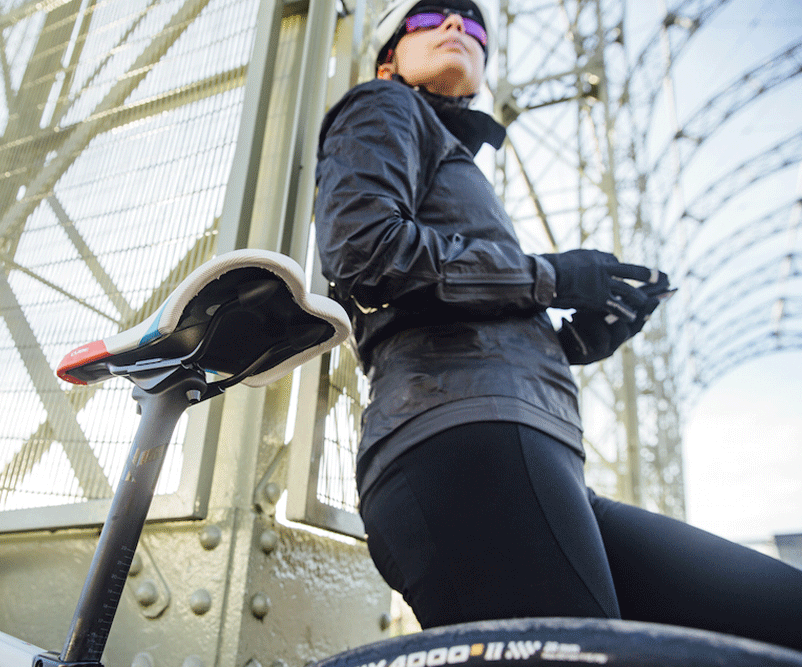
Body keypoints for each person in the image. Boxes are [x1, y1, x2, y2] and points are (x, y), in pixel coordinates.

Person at [313, 0, 802, 651]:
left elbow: (451, 305)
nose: (458, 25)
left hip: (532, 451)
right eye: (430, 18)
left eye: (475, 24)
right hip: (462, 440)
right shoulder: (382, 105)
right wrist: (552, 278)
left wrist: (570, 341)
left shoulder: (451, 154)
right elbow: (364, 249)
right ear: (387, 59)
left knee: (778, 612)